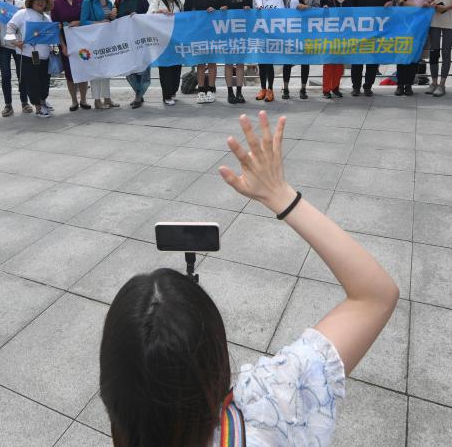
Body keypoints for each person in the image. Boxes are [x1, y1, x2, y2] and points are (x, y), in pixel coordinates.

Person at [99, 111, 398, 447]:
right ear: (216, 365)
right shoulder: (273, 405)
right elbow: (375, 296)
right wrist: (282, 197)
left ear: (110, 392)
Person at [348, 0, 395, 96]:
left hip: (377, 30)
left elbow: (390, 3)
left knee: (373, 60)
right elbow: (351, 7)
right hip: (359, 29)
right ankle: (356, 87)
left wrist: (391, 3)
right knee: (357, 60)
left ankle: (368, 86)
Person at [278, 0, 321, 100]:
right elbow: (278, 8)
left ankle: (303, 89)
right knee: (287, 61)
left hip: (306, 30)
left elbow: (318, 9)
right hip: (289, 31)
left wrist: (307, 7)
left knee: (305, 60)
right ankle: (285, 88)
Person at [7, 0, 54, 118]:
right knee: (32, 82)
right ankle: (38, 107)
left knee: (45, 81)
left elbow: (50, 36)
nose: (40, 2)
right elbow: (10, 28)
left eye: (43, 0)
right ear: (31, 2)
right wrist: (15, 42)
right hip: (28, 55)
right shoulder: (22, 13)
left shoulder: (47, 17)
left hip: (45, 56)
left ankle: (43, 101)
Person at [184, 0, 225, 103]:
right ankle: (201, 90)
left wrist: (216, 10)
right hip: (198, 32)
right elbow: (186, 12)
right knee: (200, 63)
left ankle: (211, 89)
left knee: (212, 62)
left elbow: (223, 9)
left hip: (213, 32)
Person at [394, 0, 433, 96]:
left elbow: (428, 2)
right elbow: (401, 1)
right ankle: (400, 84)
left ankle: (409, 84)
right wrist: (419, 6)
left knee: (415, 57)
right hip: (404, 25)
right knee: (402, 56)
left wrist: (428, 6)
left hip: (420, 26)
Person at [51, 0, 90, 111]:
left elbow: (88, 19)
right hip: (66, 43)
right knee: (69, 73)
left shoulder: (83, 1)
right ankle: (74, 101)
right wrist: (63, 46)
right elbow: (56, 27)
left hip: (83, 42)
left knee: (84, 71)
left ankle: (84, 99)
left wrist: (79, 22)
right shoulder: (55, 4)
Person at [80, 0, 119, 109]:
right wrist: (99, 24)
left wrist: (114, 17)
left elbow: (110, 22)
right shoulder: (87, 2)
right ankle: (97, 100)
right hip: (93, 42)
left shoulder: (109, 2)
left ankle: (107, 98)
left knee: (106, 70)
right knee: (96, 71)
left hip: (106, 41)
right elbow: (83, 22)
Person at [116, 0, 151, 108]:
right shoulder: (119, 2)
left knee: (143, 70)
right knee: (130, 71)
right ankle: (138, 93)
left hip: (141, 41)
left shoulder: (143, 1)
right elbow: (116, 23)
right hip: (126, 42)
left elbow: (150, 19)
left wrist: (139, 17)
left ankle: (138, 97)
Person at [252, 0, 284, 103]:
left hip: (272, 36)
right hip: (260, 36)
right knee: (261, 64)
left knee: (269, 64)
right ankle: (263, 89)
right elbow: (250, 19)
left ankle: (270, 90)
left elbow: (282, 16)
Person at [152, 0, 184, 105]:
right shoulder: (157, 2)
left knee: (177, 66)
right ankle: (166, 95)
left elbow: (186, 19)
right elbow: (148, 15)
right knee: (165, 68)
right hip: (162, 41)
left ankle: (173, 91)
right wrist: (160, 11)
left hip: (176, 40)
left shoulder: (179, 4)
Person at [223, 0, 253, 104]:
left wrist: (249, 9)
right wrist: (221, 9)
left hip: (242, 34)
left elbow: (252, 17)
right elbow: (219, 17)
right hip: (228, 34)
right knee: (229, 64)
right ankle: (230, 93)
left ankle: (239, 92)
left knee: (240, 64)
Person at [319, 0, 351, 98]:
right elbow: (317, 18)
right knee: (328, 65)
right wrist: (324, 12)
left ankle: (335, 87)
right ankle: (326, 89)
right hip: (328, 37)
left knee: (339, 65)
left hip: (344, 36)